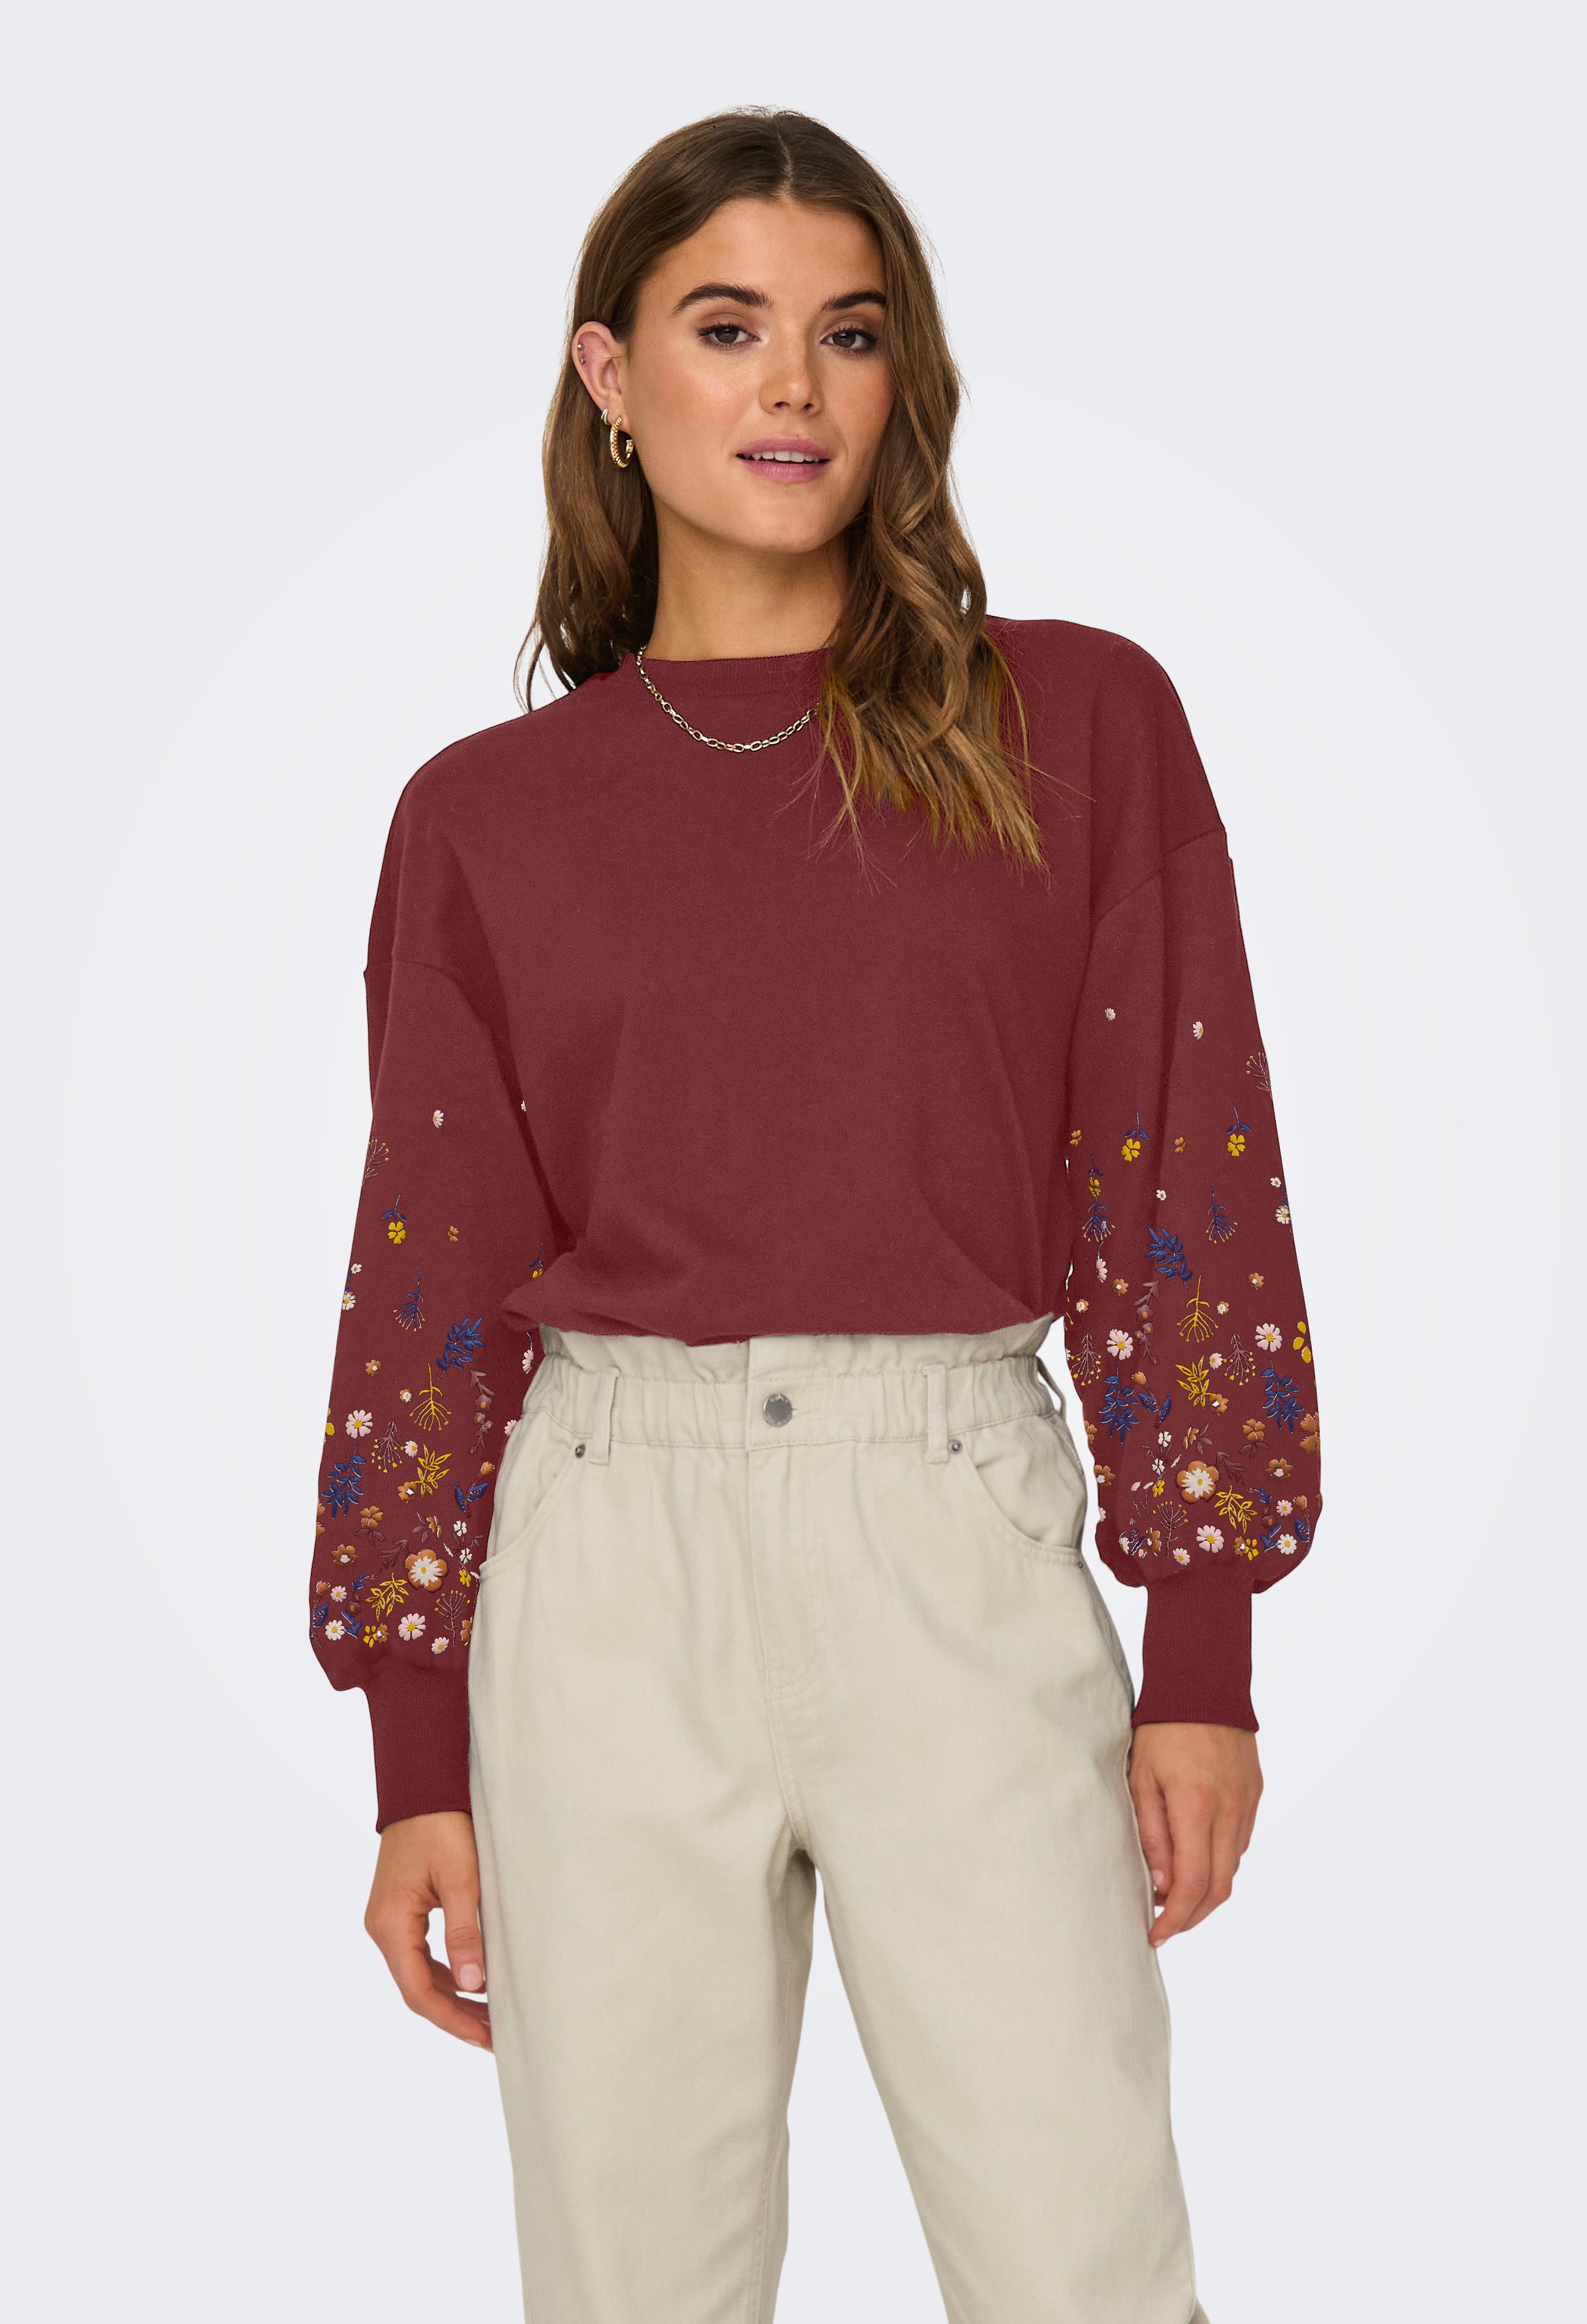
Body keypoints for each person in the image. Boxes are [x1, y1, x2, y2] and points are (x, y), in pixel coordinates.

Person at [308, 105, 1320, 2324]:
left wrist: (1204, 1654)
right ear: (609, 374)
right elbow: (431, 1290)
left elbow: (1187, 1182)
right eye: (726, 327)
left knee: (1078, 2261)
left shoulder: (1079, 721)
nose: (793, 387)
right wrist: (414, 1754)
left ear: (903, 377)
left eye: (848, 334)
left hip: (951, 1522)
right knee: (628, 2283)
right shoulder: (484, 820)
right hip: (602, 1556)